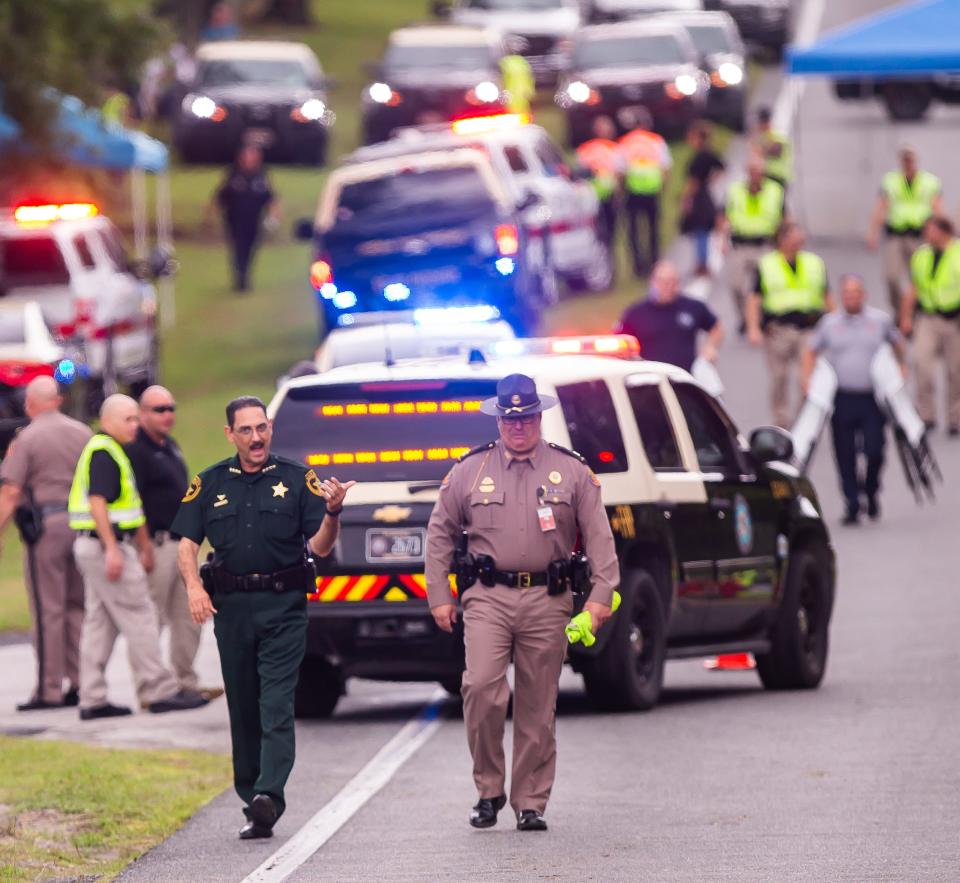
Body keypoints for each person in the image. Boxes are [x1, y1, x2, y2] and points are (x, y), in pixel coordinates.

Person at [425, 375, 619, 832]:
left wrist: (598, 599)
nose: (518, 426)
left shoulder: (571, 470)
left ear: (539, 416)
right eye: (510, 419)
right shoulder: (470, 470)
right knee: (480, 687)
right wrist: (439, 595)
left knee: (537, 702)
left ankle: (530, 800)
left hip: (547, 599)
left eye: (526, 417)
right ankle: (488, 789)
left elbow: (600, 543)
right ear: (498, 419)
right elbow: (439, 534)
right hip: (487, 597)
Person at [173, 396, 354, 840]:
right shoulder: (210, 482)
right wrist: (194, 587)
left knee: (275, 703)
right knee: (244, 705)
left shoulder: (297, 479)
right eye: (246, 430)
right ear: (230, 434)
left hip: (283, 607)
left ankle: (269, 797)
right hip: (232, 610)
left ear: (270, 428)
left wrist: (333, 512)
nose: (256, 438)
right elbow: (186, 543)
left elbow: (324, 546)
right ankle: (251, 795)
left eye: (262, 428)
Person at [69, 394, 207, 721]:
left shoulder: (112, 450)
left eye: (135, 419)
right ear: (108, 421)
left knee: (99, 622)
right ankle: (158, 690)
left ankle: (93, 697)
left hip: (97, 545)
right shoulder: (104, 451)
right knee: (141, 614)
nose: (135, 426)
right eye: (128, 420)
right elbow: (98, 502)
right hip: (107, 544)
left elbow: (126, 506)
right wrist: (114, 548)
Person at [0, 377, 91, 710]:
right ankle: (83, 682)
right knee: (77, 607)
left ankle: (48, 689)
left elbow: (10, 491)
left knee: (48, 609)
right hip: (82, 526)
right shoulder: (83, 433)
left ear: (32, 403)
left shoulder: (28, 438)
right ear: (59, 399)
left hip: (47, 529)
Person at [126, 386, 217, 702]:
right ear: (142, 414)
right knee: (150, 618)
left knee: (190, 615)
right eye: (158, 409)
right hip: (156, 542)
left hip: (182, 544)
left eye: (170, 408)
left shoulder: (170, 446)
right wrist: (144, 546)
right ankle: (152, 689)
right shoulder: (135, 450)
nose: (167, 415)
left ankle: (185, 683)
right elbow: (132, 500)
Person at [802, 275, 906, 525]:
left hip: (871, 398)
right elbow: (811, 350)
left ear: (863, 295)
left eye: (855, 293)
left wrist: (900, 371)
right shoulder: (829, 324)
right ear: (841, 296)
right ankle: (851, 502)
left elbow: (898, 344)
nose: (851, 297)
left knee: (874, 450)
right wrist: (808, 380)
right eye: (846, 293)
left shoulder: (878, 321)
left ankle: (870, 490)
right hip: (842, 397)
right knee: (845, 453)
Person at [747, 222, 833, 428]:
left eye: (800, 240)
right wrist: (753, 327)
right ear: (781, 240)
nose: (798, 244)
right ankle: (781, 420)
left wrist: (837, 323)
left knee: (806, 377)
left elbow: (827, 295)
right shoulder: (767, 264)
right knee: (779, 377)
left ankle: (803, 420)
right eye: (793, 239)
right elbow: (754, 298)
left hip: (808, 328)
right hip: (779, 329)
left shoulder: (814, 263)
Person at [900, 215, 960, 436]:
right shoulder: (921, 255)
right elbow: (913, 289)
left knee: (956, 371)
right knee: (921, 363)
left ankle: (955, 417)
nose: (926, 234)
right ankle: (926, 414)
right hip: (927, 317)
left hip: (954, 319)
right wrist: (906, 318)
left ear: (943, 231)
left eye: (930, 230)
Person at [867, 146, 943, 315]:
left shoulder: (929, 182)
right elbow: (881, 207)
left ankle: (917, 309)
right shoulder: (891, 181)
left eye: (911, 159)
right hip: (896, 234)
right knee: (891, 276)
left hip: (920, 235)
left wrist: (941, 234)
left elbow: (937, 208)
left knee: (920, 276)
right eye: (905, 159)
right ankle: (900, 309)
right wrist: (873, 232)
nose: (908, 163)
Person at [615, 260, 724, 372]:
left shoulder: (692, 307)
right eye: (662, 281)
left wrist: (710, 347)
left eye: (672, 282)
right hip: (648, 379)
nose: (667, 286)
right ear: (652, 281)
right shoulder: (635, 314)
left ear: (678, 283)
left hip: (685, 378)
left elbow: (716, 327)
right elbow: (618, 341)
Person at [717, 155, 785, 330]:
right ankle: (745, 317)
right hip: (740, 244)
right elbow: (723, 217)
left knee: (765, 285)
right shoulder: (734, 190)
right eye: (752, 171)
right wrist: (722, 240)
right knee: (736, 284)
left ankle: (759, 317)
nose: (755, 175)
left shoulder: (774, 191)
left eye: (758, 171)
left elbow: (785, 218)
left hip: (765, 244)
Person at [214, 145, 278, 293]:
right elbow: (220, 197)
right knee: (237, 250)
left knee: (250, 250)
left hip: (254, 222)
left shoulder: (261, 176)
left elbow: (271, 198)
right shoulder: (233, 175)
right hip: (234, 222)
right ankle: (239, 279)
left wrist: (273, 217)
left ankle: (246, 277)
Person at [618, 109, 672, 275]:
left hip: (632, 191)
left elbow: (620, 170)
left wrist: (621, 190)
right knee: (653, 229)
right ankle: (654, 262)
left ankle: (638, 266)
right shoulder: (656, 140)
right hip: (652, 191)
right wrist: (663, 186)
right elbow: (665, 167)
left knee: (633, 231)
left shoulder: (625, 142)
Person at [680, 121, 725, 277]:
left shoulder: (699, 156)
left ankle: (702, 263)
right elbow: (721, 167)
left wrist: (685, 198)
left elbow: (694, 181)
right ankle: (702, 261)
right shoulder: (708, 152)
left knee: (700, 230)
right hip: (705, 194)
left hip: (699, 197)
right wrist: (711, 180)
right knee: (702, 231)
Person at [575, 115, 622, 249]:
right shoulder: (614, 148)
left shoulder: (584, 148)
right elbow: (619, 174)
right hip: (597, 197)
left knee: (604, 235)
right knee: (604, 235)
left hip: (601, 196)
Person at [751, 106, 792, 191]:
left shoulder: (778, 135)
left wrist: (758, 146)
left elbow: (775, 151)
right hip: (765, 177)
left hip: (778, 177)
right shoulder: (761, 137)